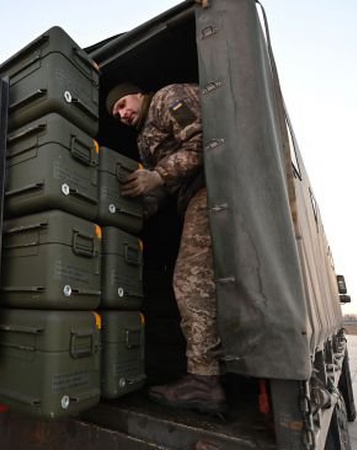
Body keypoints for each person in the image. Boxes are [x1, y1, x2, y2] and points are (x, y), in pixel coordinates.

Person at [107, 82, 226, 415]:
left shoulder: (165, 99)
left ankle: (204, 381)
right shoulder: (144, 141)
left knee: (189, 280)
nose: (122, 113)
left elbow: (205, 140)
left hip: (214, 185)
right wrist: (138, 206)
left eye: (123, 103)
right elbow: (162, 187)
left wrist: (157, 176)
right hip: (193, 196)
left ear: (138, 94)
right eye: (116, 112)